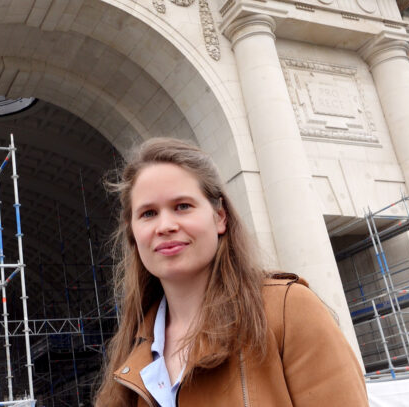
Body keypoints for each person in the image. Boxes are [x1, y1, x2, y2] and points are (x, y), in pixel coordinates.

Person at [94, 138, 368, 406]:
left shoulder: (288, 310)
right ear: (133, 233)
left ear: (220, 217)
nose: (165, 225)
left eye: (182, 206)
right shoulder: (131, 354)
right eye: (148, 213)